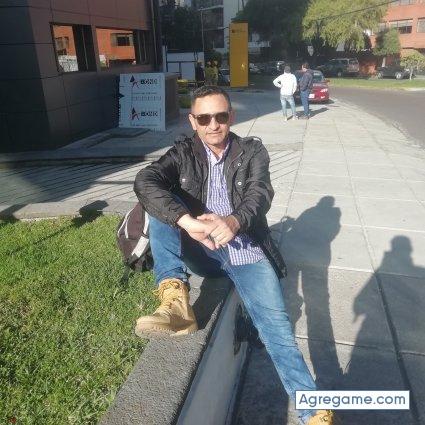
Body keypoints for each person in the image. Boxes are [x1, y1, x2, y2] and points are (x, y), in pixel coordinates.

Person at [133, 85, 337, 425]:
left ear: (231, 116)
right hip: (204, 251)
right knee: (159, 204)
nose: (213, 124)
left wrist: (234, 221)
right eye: (204, 118)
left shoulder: (252, 151)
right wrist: (188, 222)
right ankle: (175, 299)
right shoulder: (182, 152)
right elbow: (145, 180)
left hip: (246, 253)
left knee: (279, 335)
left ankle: (314, 412)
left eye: (220, 116)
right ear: (193, 121)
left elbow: (260, 194)